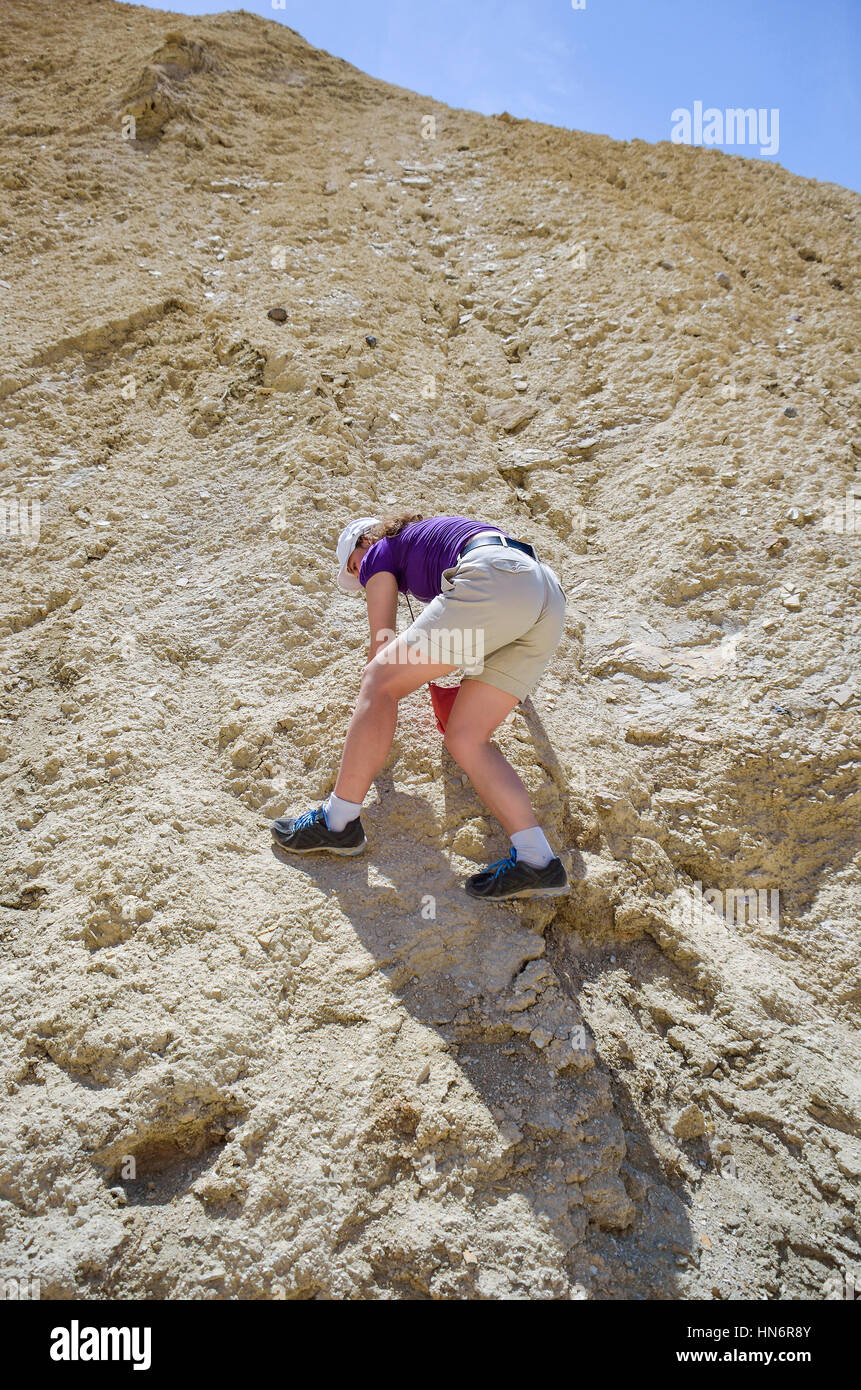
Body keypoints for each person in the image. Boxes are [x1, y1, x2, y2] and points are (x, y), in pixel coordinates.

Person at [271, 513, 569, 900]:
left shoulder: (380, 550)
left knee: (379, 679)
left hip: (498, 577)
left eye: (357, 568)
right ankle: (537, 862)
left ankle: (338, 820)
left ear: (366, 543)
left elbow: (382, 642)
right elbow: (479, 632)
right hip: (544, 592)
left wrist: (374, 702)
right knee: (466, 738)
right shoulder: (426, 543)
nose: (364, 578)